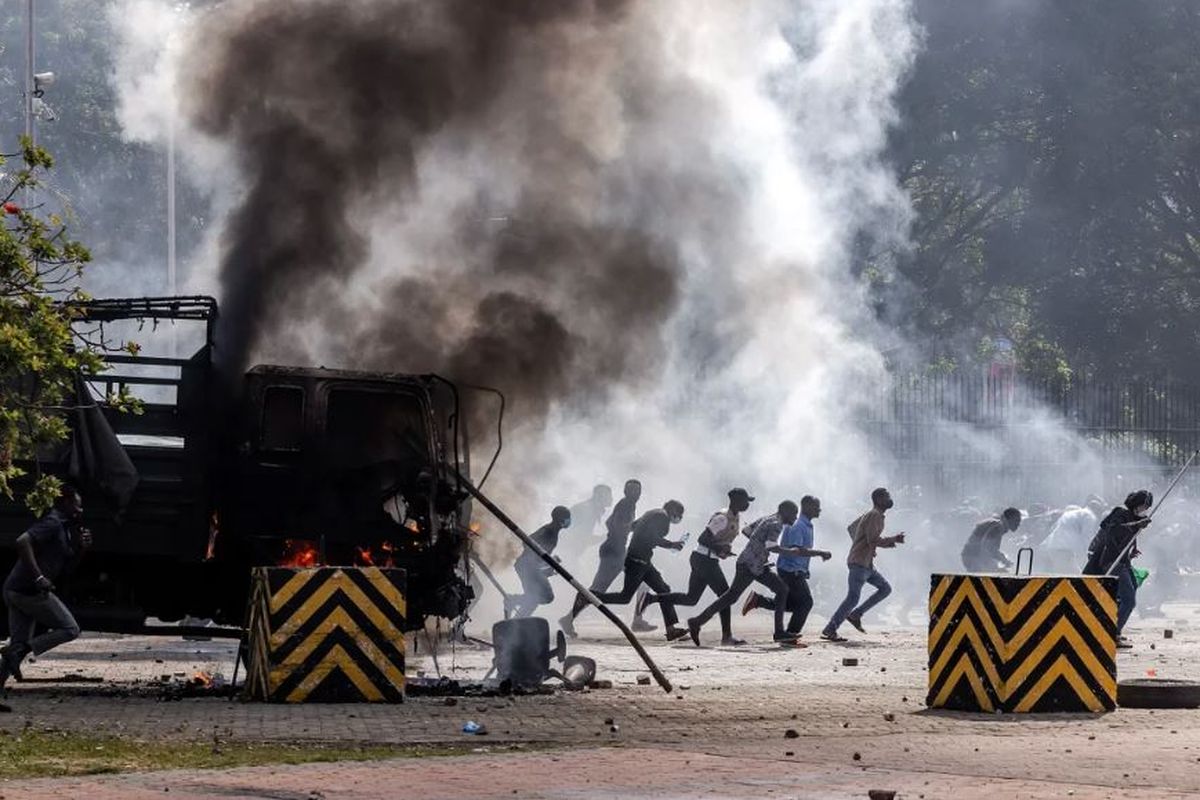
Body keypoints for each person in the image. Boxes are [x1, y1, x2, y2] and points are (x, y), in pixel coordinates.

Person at [686, 500, 816, 645]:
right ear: (785, 512)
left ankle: (697, 621)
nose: (794, 518)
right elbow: (772, 546)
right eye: (793, 514)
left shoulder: (768, 518)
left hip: (755, 565)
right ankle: (697, 621)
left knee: (781, 589)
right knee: (731, 597)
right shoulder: (776, 524)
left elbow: (747, 530)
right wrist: (791, 551)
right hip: (750, 566)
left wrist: (758, 547)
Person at [637, 488, 754, 646]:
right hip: (704, 559)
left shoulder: (735, 517)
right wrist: (719, 549)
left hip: (703, 559)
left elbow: (718, 540)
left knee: (691, 599)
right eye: (745, 501)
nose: (747, 504)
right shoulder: (722, 518)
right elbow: (702, 538)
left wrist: (723, 549)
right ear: (735, 500)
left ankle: (651, 599)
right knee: (726, 596)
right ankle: (725, 636)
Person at [1, 486, 90, 693]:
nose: (80, 510)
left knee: (15, 645)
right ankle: (21, 650)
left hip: (17, 589)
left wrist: (82, 549)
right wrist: (39, 577)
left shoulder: (65, 528)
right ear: (66, 503)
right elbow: (22, 541)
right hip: (29, 592)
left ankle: (15, 654)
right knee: (70, 629)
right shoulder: (53, 521)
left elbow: (67, 568)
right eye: (77, 505)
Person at [561, 500, 690, 642]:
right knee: (624, 597)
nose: (679, 518)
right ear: (673, 510)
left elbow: (632, 527)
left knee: (664, 589)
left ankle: (671, 630)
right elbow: (651, 537)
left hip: (641, 559)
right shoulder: (662, 517)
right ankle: (588, 597)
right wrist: (672, 544)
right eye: (679, 514)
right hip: (638, 561)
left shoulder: (651, 513)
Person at [561, 479, 652, 637]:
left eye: (638, 491)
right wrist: (636, 525)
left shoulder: (627, 504)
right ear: (625, 492)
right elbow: (616, 526)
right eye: (632, 491)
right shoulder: (626, 504)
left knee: (642, 580)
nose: (636, 494)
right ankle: (568, 618)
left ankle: (638, 619)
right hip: (614, 550)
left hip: (616, 549)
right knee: (597, 590)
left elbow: (610, 523)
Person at [821, 487, 906, 642]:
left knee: (885, 589)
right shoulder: (874, 515)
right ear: (879, 499)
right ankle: (830, 628)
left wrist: (866, 546)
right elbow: (872, 539)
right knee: (853, 598)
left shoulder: (873, 515)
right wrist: (892, 539)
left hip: (866, 564)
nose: (890, 499)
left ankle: (856, 614)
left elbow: (852, 529)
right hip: (859, 563)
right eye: (887, 496)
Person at [743, 495, 832, 639]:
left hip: (794, 569)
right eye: (817, 506)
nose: (819, 509)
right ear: (807, 506)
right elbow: (798, 551)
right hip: (790, 570)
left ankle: (760, 601)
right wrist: (820, 553)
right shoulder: (798, 525)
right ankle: (790, 634)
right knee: (806, 603)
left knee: (793, 603)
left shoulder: (806, 525)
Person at [1083, 490, 1153, 647]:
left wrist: (1132, 550)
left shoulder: (1134, 519)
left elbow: (1128, 538)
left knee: (1131, 589)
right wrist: (1136, 524)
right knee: (1128, 600)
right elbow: (1113, 529)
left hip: (1123, 562)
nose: (1144, 509)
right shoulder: (1120, 512)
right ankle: (1113, 634)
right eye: (1144, 505)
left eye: (1146, 507)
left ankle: (1111, 629)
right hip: (1111, 562)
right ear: (1136, 503)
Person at [506, 506, 572, 619]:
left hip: (529, 567)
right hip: (527, 566)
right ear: (560, 518)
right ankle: (512, 600)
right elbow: (527, 541)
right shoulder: (548, 530)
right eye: (567, 517)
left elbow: (541, 553)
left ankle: (516, 622)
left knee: (533, 599)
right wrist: (536, 562)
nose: (569, 520)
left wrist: (548, 563)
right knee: (546, 596)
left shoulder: (553, 532)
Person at [1040, 496, 1106, 571]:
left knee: (1063, 573)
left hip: (1054, 546)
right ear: (1098, 511)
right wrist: (1087, 559)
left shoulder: (1072, 513)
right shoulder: (1089, 516)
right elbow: (1086, 539)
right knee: (1077, 578)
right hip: (1064, 550)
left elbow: (1054, 529)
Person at [961, 507, 1022, 572]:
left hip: (972, 556)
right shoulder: (998, 526)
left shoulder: (997, 523)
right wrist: (1003, 560)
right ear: (1010, 519)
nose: (1018, 524)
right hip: (974, 557)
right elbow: (988, 547)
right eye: (1017, 520)